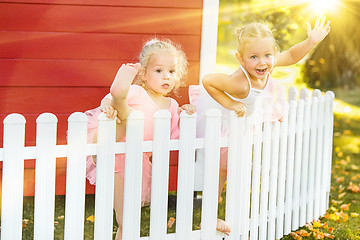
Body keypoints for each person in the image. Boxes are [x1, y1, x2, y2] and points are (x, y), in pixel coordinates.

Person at [190, 16, 331, 235]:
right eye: (253, 57)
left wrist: (311, 41)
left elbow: (293, 55)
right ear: (240, 58)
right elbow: (208, 80)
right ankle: (209, 218)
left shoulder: (266, 65)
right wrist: (231, 103)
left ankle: (228, 213)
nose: (262, 62)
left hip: (244, 127)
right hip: (226, 130)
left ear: (273, 53)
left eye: (267, 55)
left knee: (236, 171)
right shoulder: (239, 83)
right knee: (219, 172)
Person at [84, 38, 196, 240]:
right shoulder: (137, 91)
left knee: (129, 219)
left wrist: (184, 114)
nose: (166, 77)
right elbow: (105, 102)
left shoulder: (171, 105)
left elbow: (173, 136)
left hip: (139, 159)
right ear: (143, 74)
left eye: (171, 71)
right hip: (117, 149)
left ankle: (119, 101)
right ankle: (118, 96)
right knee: (125, 116)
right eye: (159, 71)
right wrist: (109, 104)